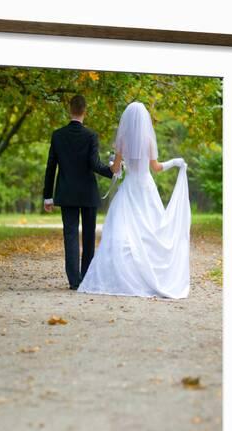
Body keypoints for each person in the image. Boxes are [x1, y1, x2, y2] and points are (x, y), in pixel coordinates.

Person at [77, 101, 191, 299]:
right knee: (150, 230)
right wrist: (175, 162)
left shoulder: (122, 141)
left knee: (122, 231)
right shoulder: (148, 140)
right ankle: (148, 272)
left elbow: (115, 170)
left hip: (129, 187)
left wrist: (114, 164)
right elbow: (156, 168)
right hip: (145, 188)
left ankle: (123, 275)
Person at [43, 94, 113, 290]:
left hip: (66, 193)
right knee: (89, 236)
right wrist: (112, 171)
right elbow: (94, 164)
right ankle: (87, 278)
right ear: (85, 111)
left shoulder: (57, 135)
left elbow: (51, 167)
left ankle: (74, 281)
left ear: (69, 109)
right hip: (88, 193)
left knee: (71, 235)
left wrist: (48, 196)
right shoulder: (91, 136)